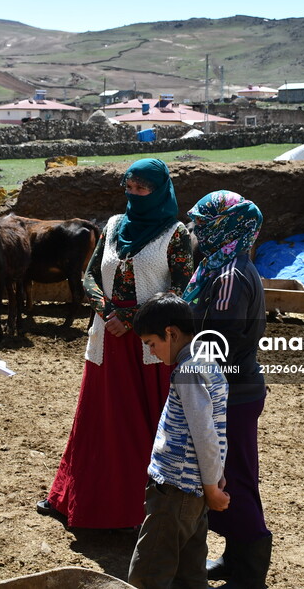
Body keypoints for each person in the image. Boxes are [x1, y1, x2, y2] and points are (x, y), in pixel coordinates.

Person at [38, 158, 193, 529]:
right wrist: (108, 311)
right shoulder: (113, 226)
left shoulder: (176, 235)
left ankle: (138, 512)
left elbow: (182, 287)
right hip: (107, 340)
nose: (134, 194)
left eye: (143, 188)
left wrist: (133, 317)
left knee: (143, 423)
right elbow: (90, 274)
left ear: (160, 191)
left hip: (149, 345)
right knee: (99, 420)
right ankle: (81, 500)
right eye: (130, 186)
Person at [184, 190, 272, 588]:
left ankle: (249, 573)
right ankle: (236, 558)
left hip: (230, 390)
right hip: (232, 387)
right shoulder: (219, 266)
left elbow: (221, 337)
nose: (195, 231)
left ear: (225, 227)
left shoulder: (228, 275)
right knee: (233, 474)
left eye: (203, 224)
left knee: (230, 477)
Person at [127, 292, 229, 589]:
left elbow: (204, 433)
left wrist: (212, 488)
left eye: (152, 344)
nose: (152, 352)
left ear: (170, 333)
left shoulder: (188, 372)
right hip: (194, 491)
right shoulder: (206, 361)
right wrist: (215, 476)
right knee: (190, 575)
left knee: (148, 575)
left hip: (175, 490)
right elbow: (218, 427)